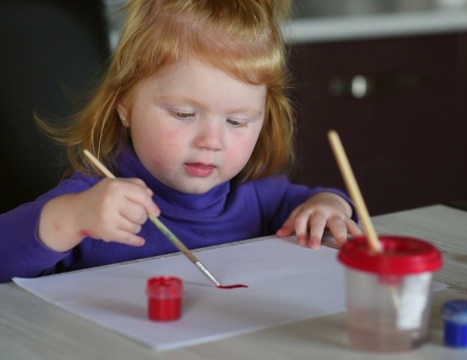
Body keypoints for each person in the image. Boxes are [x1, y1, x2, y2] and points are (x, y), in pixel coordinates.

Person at [0, 0, 361, 283]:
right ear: (124, 105)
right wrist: (69, 219)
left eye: (237, 121)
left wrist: (329, 206)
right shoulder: (92, 202)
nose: (211, 140)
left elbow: (318, 203)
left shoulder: (260, 198)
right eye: (184, 114)